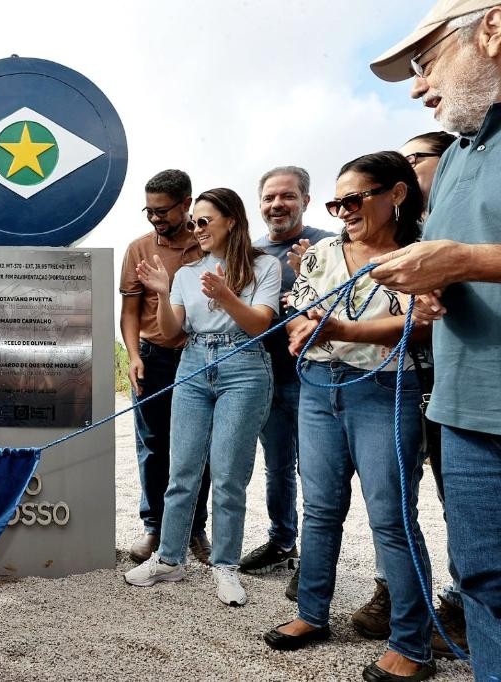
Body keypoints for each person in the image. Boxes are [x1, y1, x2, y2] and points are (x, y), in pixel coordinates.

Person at [263, 152, 436, 682]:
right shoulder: (320, 253)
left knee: (391, 517)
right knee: (319, 509)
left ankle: (412, 644)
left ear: (396, 195)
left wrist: (340, 329)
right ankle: (312, 614)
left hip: (385, 390)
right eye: (336, 204)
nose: (343, 211)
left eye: (354, 200)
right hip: (319, 389)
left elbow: (423, 325)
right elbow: (301, 310)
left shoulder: (420, 255)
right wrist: (300, 330)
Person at [369, 3, 501, 677]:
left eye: (426, 63)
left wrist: (464, 260)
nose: (420, 88)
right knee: (482, 584)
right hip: (464, 413)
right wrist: (431, 289)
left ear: (492, 30)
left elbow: (469, 256)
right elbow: (455, 266)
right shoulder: (453, 159)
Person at [124, 188, 278, 607]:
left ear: (232, 220)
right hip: (192, 363)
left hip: (244, 365)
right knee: (182, 470)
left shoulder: (265, 266)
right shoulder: (188, 272)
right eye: (194, 223)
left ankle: (225, 566)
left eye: (205, 221)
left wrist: (226, 296)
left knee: (228, 474)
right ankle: (169, 559)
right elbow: (171, 330)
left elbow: (259, 326)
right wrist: (161, 291)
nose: (197, 229)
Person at [350, 130, 464, 653]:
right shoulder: (407, 235)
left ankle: (460, 607)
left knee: (459, 498)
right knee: (401, 497)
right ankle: (394, 591)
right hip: (412, 384)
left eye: (415, 158)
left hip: (451, 382)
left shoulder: (447, 232)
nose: (406, 166)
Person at [239, 167, 332, 586]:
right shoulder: (251, 253)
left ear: (305, 200)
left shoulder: (328, 245)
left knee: (315, 470)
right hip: (265, 377)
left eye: (288, 196)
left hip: (314, 377)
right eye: (269, 198)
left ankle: (315, 560)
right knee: (276, 466)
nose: (278, 204)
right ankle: (281, 541)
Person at [118, 170, 212, 566]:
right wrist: (133, 355)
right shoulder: (138, 249)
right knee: (154, 445)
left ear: (186, 204)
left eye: (163, 211)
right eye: (149, 211)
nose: (156, 218)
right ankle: (154, 527)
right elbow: (130, 311)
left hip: (200, 357)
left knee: (198, 447)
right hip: (153, 357)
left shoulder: (208, 242)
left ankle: (194, 528)